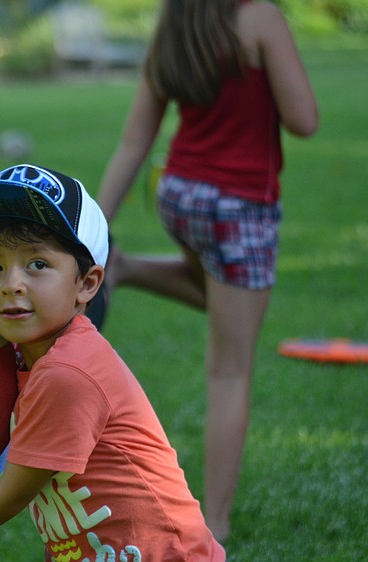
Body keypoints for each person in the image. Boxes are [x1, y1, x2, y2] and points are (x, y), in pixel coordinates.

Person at [0, 164, 226, 562]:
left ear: (87, 284)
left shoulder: (68, 373)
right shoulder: (14, 355)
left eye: (37, 265)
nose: (12, 283)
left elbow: (13, 493)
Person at [95, 0, 319, 542]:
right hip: (239, 205)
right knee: (229, 369)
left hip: (181, 196)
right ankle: (212, 525)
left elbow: (134, 143)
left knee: (219, 302)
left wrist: (96, 235)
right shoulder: (258, 17)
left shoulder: (175, 24)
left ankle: (123, 267)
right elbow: (304, 120)